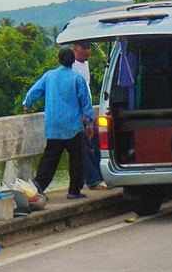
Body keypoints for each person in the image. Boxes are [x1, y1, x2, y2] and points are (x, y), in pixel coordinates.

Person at [23, 48, 95, 199]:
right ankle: (74, 190)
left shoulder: (49, 76)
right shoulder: (77, 79)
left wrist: (27, 104)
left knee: (50, 158)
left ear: (59, 60)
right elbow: (86, 104)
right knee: (77, 159)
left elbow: (33, 93)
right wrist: (90, 123)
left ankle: (39, 185)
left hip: (54, 125)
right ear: (73, 61)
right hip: (73, 127)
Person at [72, 42, 108, 190]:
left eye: (88, 48)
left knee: (96, 144)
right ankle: (93, 179)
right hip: (81, 113)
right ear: (75, 48)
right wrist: (83, 114)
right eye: (83, 48)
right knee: (85, 146)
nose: (87, 51)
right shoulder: (72, 66)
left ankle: (101, 176)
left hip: (88, 111)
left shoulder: (85, 65)